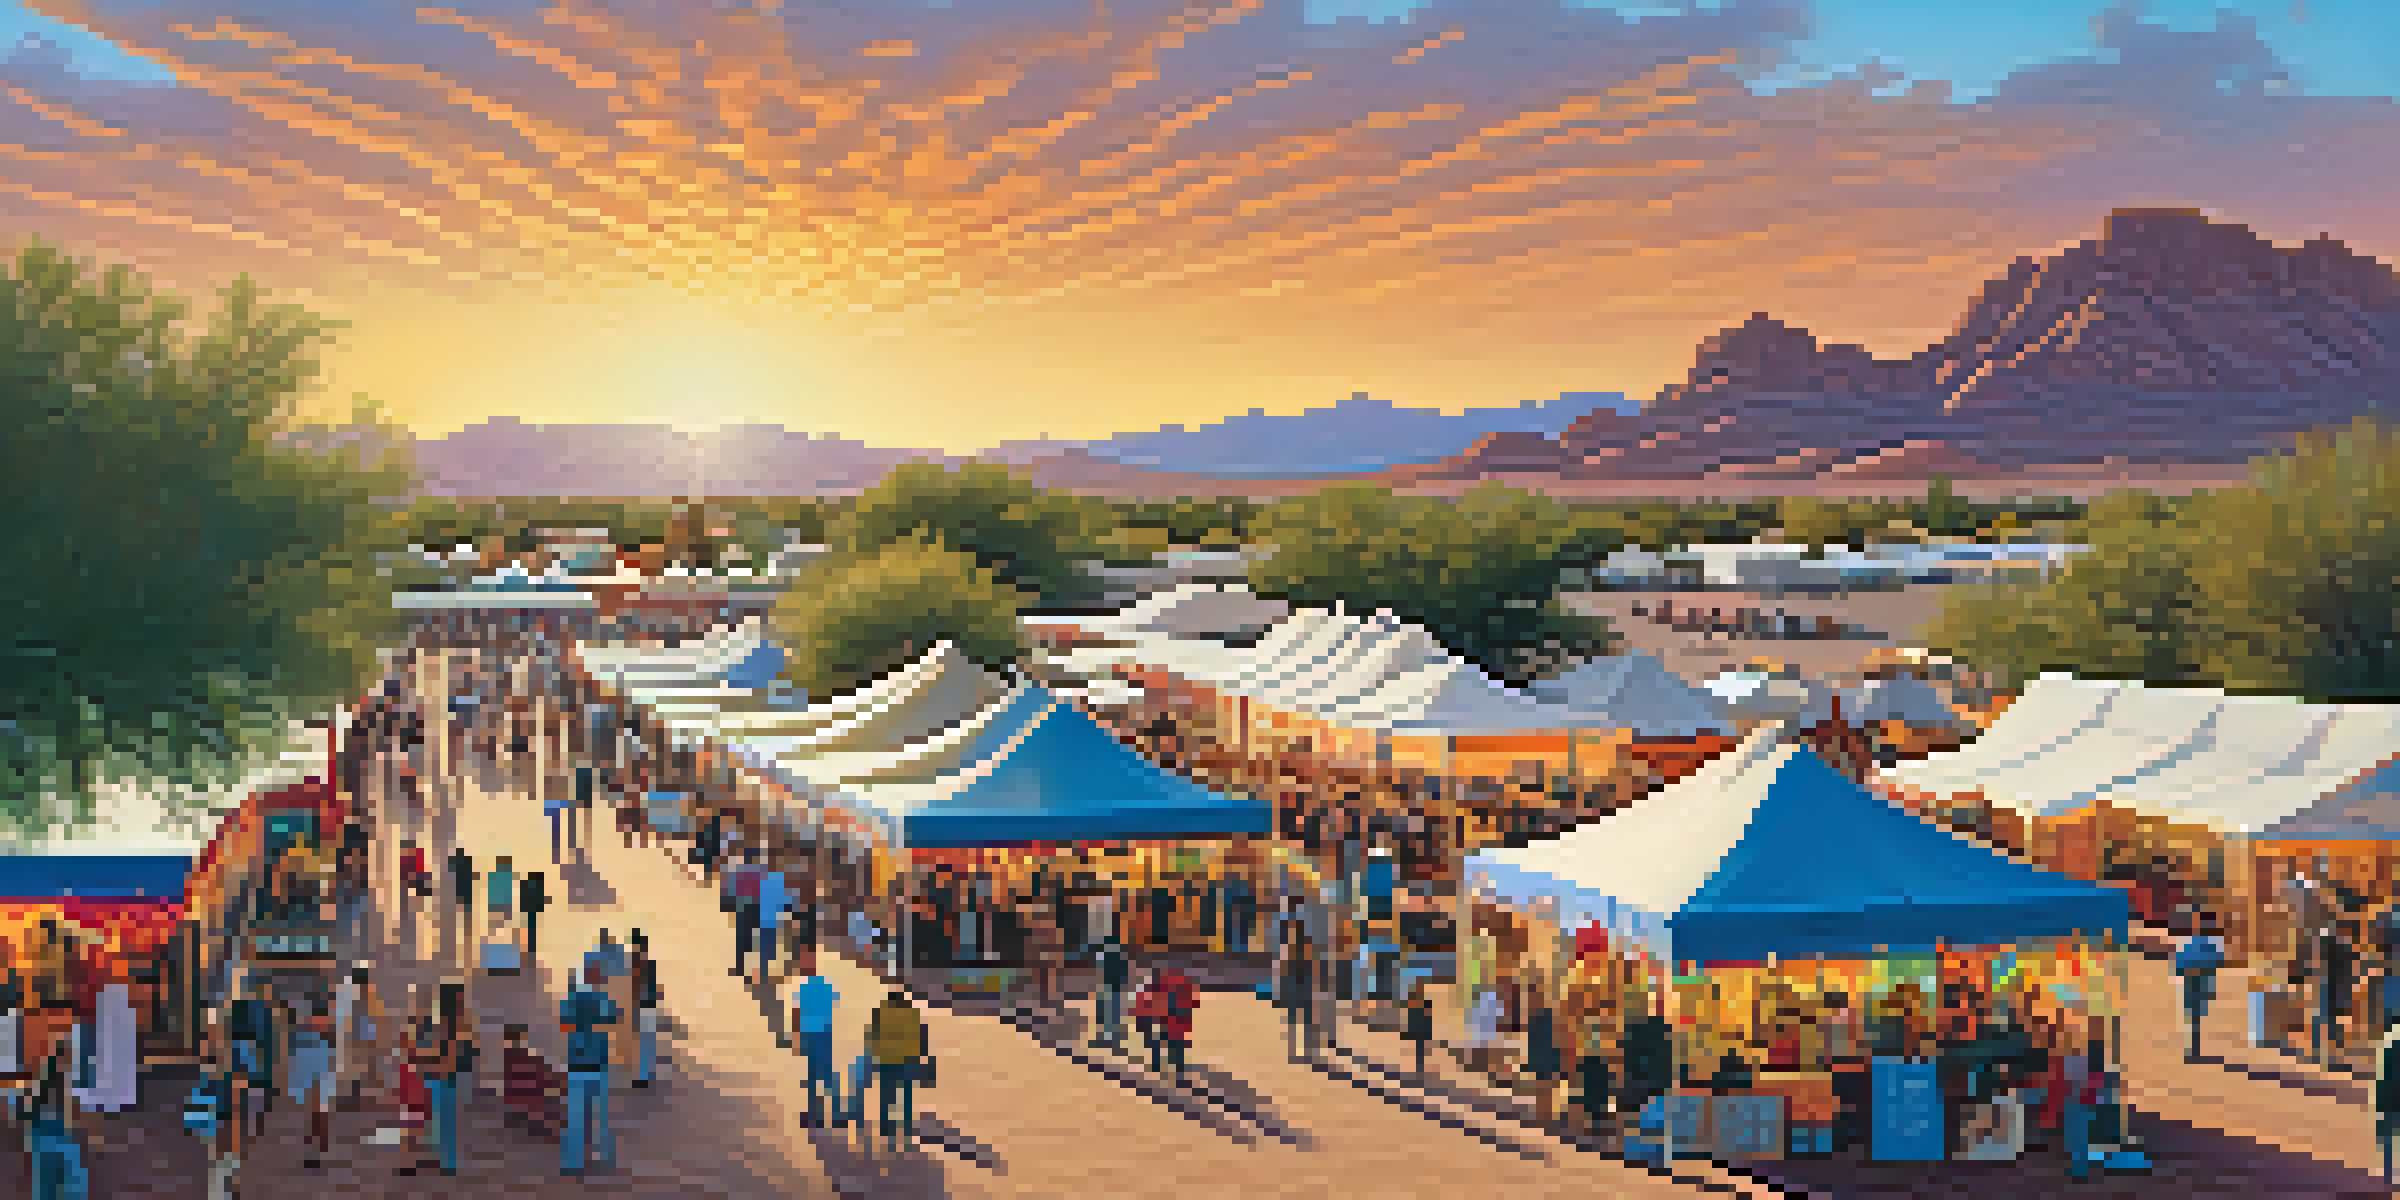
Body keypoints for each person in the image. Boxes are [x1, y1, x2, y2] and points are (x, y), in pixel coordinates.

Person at [559, 965, 620, 1176]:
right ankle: (603, 1159)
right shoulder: (605, 1000)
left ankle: (573, 1162)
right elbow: (612, 1024)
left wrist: (580, 1028)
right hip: (599, 1064)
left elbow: (564, 1027)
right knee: (601, 1117)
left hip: (577, 1063)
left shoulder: (572, 999)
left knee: (576, 1116)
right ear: (600, 977)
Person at [867, 989, 928, 1153]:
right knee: (906, 1097)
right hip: (907, 1060)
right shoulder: (912, 1013)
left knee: (887, 1095)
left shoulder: (880, 1013)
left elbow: (873, 1036)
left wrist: (873, 1056)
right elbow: (922, 1035)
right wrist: (923, 1055)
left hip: (887, 1060)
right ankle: (905, 1131)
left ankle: (887, 1130)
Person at [288, 996, 337, 1168]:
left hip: (319, 1079)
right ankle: (313, 1151)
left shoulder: (322, 1038)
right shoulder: (306, 1037)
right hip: (312, 1079)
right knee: (315, 1117)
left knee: (318, 1117)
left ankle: (315, 1151)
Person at [792, 962, 842, 1125]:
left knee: (813, 1075)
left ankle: (815, 1114)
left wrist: (796, 1035)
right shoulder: (825, 984)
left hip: (810, 1034)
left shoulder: (802, 987)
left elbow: (796, 1012)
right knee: (826, 1074)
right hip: (825, 1033)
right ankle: (835, 1113)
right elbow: (836, 1000)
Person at [2176, 924, 2226, 1062]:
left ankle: (2193, 1051)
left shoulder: (2190, 942)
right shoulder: (2211, 943)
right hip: (2199, 980)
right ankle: (2194, 1052)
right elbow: (2216, 963)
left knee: (2194, 1016)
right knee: (2196, 1016)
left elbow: (2180, 966)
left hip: (2192, 980)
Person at [1154, 965, 1200, 1081]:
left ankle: (1159, 1067)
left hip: (1167, 1019)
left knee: (1163, 1042)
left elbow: (1158, 999)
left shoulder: (1164, 980)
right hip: (1179, 1020)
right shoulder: (1186, 982)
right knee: (1177, 1044)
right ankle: (1178, 1071)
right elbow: (1195, 1003)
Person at [629, 930, 660, 1088]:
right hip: (646, 1007)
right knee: (645, 1042)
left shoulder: (636, 965)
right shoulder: (648, 963)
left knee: (642, 1043)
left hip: (641, 1007)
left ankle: (642, 1076)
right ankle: (646, 1074)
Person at [1090, 932, 1131, 1050]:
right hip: (1113, 987)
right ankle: (1112, 1040)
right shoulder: (1120, 952)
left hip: (1111, 986)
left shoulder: (1106, 952)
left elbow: (1099, 969)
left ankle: (1111, 1041)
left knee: (1108, 1014)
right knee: (1110, 1014)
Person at [756, 865, 789, 987]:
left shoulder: (764, 880)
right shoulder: (779, 881)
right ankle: (768, 975)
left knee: (766, 949)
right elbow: (786, 901)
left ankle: (764, 974)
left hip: (765, 920)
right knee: (772, 949)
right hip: (774, 922)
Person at [2378, 1021, 2400, 1185]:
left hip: (2387, 1102)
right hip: (2390, 1101)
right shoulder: (2386, 1049)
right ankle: (2390, 1175)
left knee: (2387, 1139)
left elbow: (2381, 1079)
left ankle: (2389, 1176)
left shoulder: (2386, 1050)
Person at [1403, 982, 1436, 1077]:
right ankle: (1420, 1068)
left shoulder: (1425, 1003)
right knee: (1419, 1050)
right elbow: (1411, 1017)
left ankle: (1421, 1068)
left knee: (1421, 1049)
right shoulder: (1414, 1004)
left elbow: (1427, 1017)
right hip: (1419, 1030)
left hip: (1422, 1029)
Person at [487, 855, 517, 944]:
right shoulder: (504, 876)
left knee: (499, 929)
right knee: (503, 928)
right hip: (502, 906)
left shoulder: (493, 876)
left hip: (498, 906)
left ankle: (497, 940)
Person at [520, 871, 550, 959]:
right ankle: (531, 951)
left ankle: (531, 951)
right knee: (531, 932)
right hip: (531, 912)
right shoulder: (537, 885)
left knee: (531, 932)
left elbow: (524, 899)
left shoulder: (526, 884)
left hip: (529, 912)